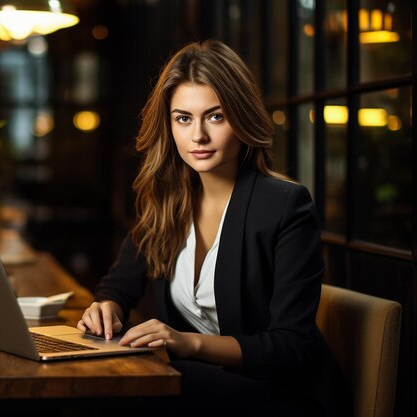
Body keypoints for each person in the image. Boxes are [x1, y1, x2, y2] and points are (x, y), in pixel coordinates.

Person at [77, 40, 352, 417]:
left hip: (280, 391)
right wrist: (106, 308)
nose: (198, 137)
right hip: (198, 381)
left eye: (216, 116)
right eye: (183, 118)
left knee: (136, 388)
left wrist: (186, 343)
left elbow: (291, 346)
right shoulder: (166, 199)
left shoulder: (285, 205)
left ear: (241, 118)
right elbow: (118, 286)